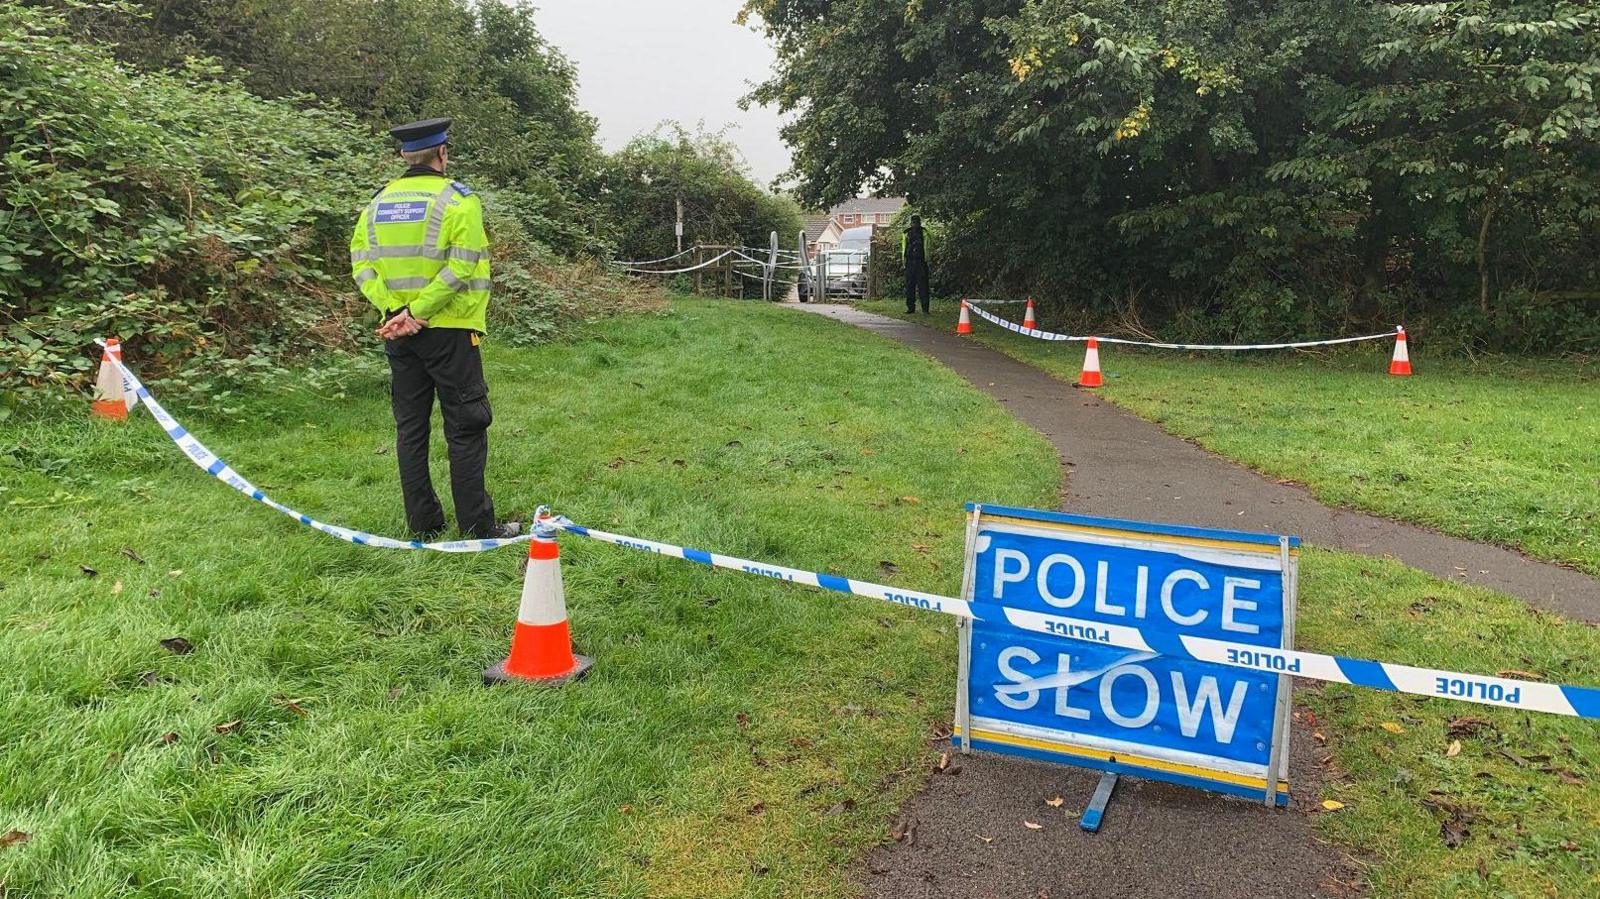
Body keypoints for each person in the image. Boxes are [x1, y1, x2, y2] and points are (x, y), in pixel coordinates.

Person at [349, 117, 518, 541]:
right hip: (451, 329)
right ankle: (478, 527)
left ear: (405, 156)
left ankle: (423, 526)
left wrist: (395, 311)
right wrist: (420, 311)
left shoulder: (377, 203)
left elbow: (361, 264)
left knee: (411, 427)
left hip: (399, 331)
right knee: (466, 424)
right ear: (443, 153)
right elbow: (462, 264)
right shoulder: (459, 200)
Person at [900, 214, 932, 314]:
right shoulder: (907, 233)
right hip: (910, 262)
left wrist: (927, 260)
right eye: (913, 222)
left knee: (923, 287)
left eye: (916, 222)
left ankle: (925, 308)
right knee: (910, 286)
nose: (914, 224)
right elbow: (904, 248)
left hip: (921, 262)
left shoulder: (925, 233)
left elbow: (928, 247)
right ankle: (911, 308)